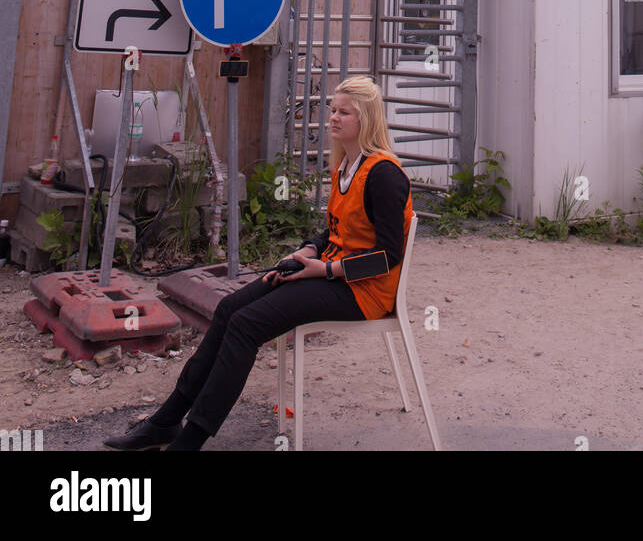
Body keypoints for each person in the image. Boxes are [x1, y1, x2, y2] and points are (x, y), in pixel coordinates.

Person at [104, 76, 412, 451]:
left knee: (247, 325)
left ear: (366, 119)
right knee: (230, 308)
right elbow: (335, 233)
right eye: (332, 109)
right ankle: (165, 421)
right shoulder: (346, 165)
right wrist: (308, 252)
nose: (332, 118)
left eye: (344, 112)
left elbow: (387, 257)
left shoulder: (383, 174)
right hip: (330, 273)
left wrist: (326, 270)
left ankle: (191, 439)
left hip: (363, 292)